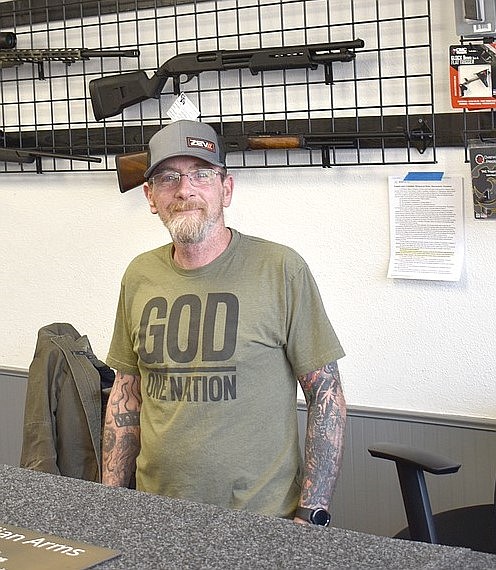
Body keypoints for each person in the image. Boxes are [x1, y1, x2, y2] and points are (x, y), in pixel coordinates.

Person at [103, 119, 347, 526]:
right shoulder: (138, 276)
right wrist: (109, 505)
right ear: (150, 196)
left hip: (262, 520)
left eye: (202, 174)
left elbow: (326, 395)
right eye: (168, 178)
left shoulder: (281, 269)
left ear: (226, 188)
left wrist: (311, 513)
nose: (186, 190)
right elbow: (125, 396)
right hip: (155, 514)